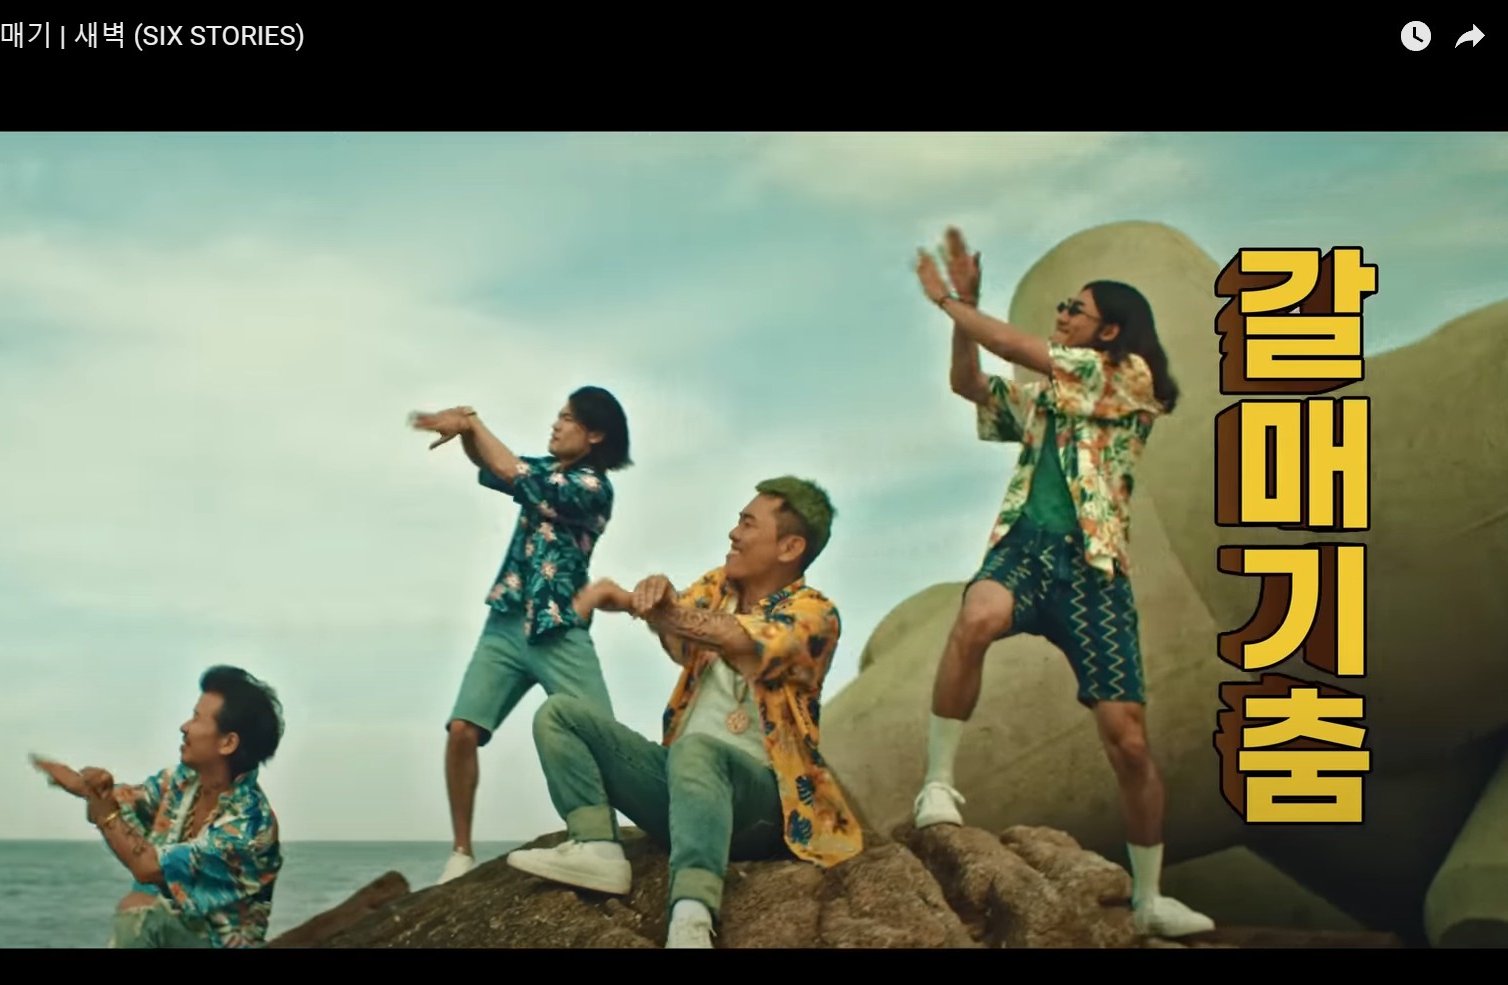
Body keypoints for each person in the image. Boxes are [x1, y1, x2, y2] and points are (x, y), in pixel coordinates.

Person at [908, 227, 1213, 939]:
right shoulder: (1050, 396)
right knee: (977, 617)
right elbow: (970, 384)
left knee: (1127, 741)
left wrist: (951, 302)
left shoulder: (1127, 377)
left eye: (1076, 308)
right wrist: (963, 316)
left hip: (1094, 570)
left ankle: (1149, 898)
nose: (1062, 313)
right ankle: (937, 784)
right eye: (1063, 306)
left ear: (1109, 329)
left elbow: (1015, 348)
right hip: (1027, 548)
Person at [503, 477, 863, 948]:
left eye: (748, 524)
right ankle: (597, 849)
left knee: (697, 750)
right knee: (559, 714)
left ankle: (691, 918)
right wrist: (647, 598)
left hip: (763, 807)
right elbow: (679, 638)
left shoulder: (816, 615)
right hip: (681, 790)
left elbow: (731, 636)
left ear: (790, 547)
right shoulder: (718, 586)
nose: (734, 533)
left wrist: (654, 608)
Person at [410, 388, 632, 886]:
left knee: (598, 736)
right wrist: (467, 433)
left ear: (596, 434)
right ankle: (460, 853)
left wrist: (471, 420)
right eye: (558, 415)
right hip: (508, 620)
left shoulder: (593, 488)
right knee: (462, 729)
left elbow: (510, 470)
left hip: (559, 629)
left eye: (568, 418)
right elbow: (493, 465)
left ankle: (599, 842)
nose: (556, 424)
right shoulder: (546, 470)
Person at [32, 664, 285, 948]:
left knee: (140, 910)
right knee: (144, 905)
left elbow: (149, 867)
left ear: (228, 743)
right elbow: (127, 799)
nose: (184, 727)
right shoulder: (183, 781)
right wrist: (87, 786)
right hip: (177, 933)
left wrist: (104, 812)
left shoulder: (248, 827)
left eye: (196, 718)